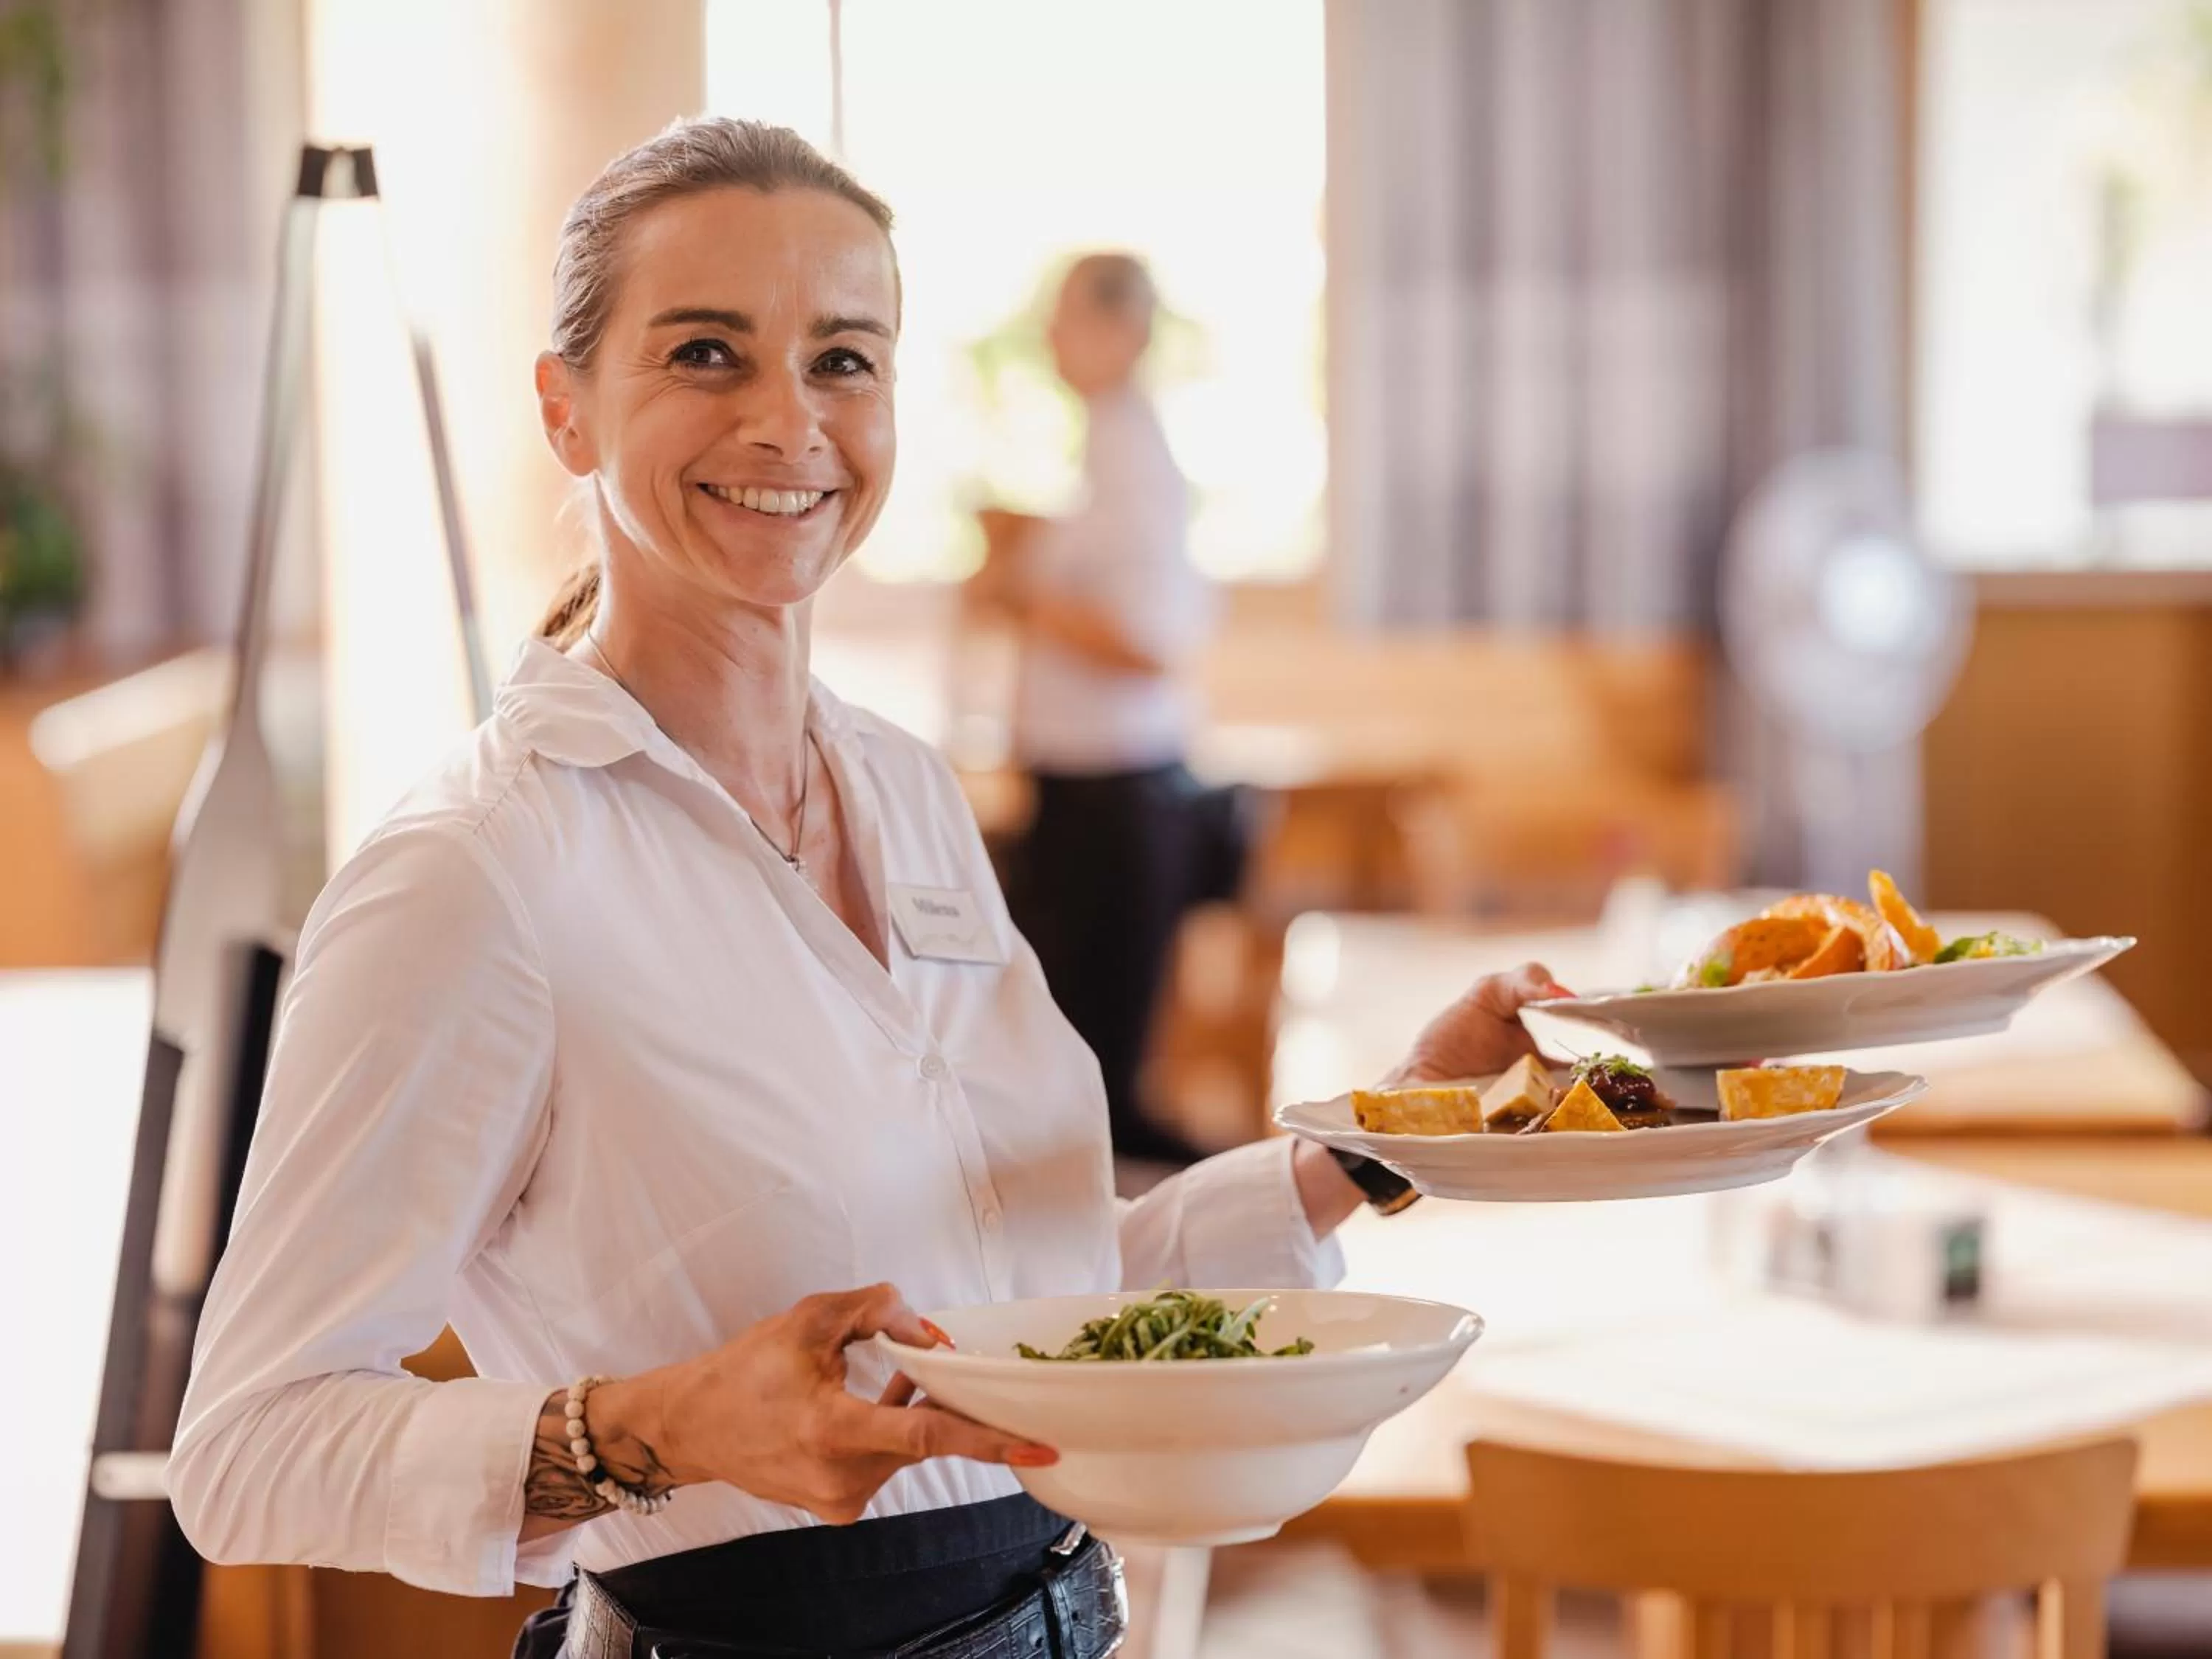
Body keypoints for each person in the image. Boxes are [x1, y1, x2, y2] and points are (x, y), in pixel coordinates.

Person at [167, 118, 1571, 1659]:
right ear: (566, 410)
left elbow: (1041, 1297)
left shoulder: (907, 793)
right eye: (707, 353)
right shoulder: (475, 875)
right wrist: (660, 1429)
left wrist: (1386, 1135)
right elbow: (246, 1455)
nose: (790, 422)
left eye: (844, 360)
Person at [968, 254, 1218, 1165]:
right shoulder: (1100, 444)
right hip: (1081, 776)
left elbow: (1150, 640)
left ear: (1128, 332)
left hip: (1117, 780)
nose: (1049, 336)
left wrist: (1016, 590)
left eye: (1067, 316)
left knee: (1091, 1045)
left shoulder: (1133, 451)